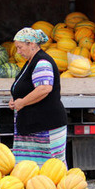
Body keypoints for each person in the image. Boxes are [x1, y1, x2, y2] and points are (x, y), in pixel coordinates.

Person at [9, 27, 68, 167]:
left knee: (50, 169)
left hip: (46, 127)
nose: (18, 51)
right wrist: (15, 99)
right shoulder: (31, 61)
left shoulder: (42, 62)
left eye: (20, 47)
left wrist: (22, 102)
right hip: (34, 126)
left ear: (32, 44)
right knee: (31, 170)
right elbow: (26, 87)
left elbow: (44, 88)